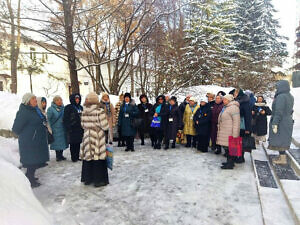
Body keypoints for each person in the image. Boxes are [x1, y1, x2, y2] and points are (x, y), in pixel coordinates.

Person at [12, 93, 49, 188]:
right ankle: (30, 180)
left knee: (35, 160)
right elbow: (16, 128)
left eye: (35, 99)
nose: (35, 101)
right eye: (33, 99)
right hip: (29, 142)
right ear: (27, 101)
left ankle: (31, 176)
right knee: (31, 162)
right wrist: (30, 133)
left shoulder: (35, 110)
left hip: (36, 141)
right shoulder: (24, 112)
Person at [80, 92, 109, 187]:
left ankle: (88, 179)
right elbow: (105, 126)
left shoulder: (84, 111)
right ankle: (99, 180)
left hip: (87, 136)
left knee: (88, 157)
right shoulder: (99, 111)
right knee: (98, 157)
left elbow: (82, 125)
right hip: (97, 136)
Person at [268, 80, 294, 165]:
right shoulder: (289, 96)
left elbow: (279, 111)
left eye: (277, 86)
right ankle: (281, 157)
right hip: (286, 120)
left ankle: (283, 159)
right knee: (282, 139)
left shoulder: (281, 97)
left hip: (281, 121)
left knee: (280, 139)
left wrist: (275, 123)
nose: (276, 88)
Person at [217, 95, 240, 169]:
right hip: (225, 130)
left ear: (229, 100)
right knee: (227, 148)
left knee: (231, 148)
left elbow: (236, 122)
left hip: (230, 131)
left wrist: (235, 134)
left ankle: (230, 164)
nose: (223, 101)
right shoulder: (226, 107)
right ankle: (229, 162)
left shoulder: (234, 108)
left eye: (225, 99)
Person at [233, 88, 252, 163]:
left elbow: (248, 116)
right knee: (236, 140)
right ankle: (235, 156)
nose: (234, 94)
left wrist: (248, 128)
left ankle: (241, 157)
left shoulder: (245, 102)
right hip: (236, 123)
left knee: (241, 141)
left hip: (242, 124)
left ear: (239, 94)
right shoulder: (237, 101)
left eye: (235, 93)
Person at [63, 94, 84, 162]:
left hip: (79, 128)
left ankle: (77, 156)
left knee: (78, 142)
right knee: (73, 143)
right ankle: (73, 157)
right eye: (76, 99)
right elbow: (65, 118)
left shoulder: (80, 107)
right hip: (72, 128)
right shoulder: (69, 107)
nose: (77, 100)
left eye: (78, 99)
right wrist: (68, 127)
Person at [47, 96, 68, 161]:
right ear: (54, 101)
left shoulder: (63, 108)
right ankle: (58, 156)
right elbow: (48, 119)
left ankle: (61, 155)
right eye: (57, 100)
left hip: (62, 128)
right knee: (57, 143)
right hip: (55, 129)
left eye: (60, 100)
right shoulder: (51, 109)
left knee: (62, 142)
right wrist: (49, 128)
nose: (59, 101)